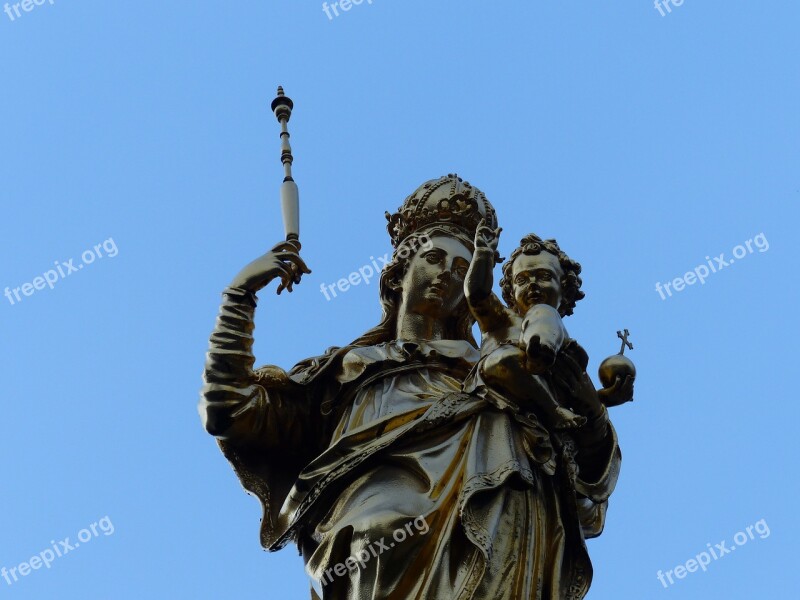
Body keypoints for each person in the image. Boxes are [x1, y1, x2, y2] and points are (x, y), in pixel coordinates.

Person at [199, 175, 621, 599]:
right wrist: (239, 295)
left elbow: (586, 480)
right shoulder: (347, 370)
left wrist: (591, 410)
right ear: (400, 273)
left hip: (506, 521)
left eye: (462, 268)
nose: (448, 276)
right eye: (435, 259)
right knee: (380, 529)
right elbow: (229, 410)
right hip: (372, 536)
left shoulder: (497, 371)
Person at [464, 223, 588, 430]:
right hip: (499, 378)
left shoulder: (556, 326)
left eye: (544, 276)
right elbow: (477, 294)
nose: (532, 284)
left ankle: (541, 349)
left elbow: (583, 396)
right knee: (502, 359)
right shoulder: (503, 318)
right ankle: (538, 354)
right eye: (521, 279)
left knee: (543, 312)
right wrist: (484, 254)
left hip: (550, 388)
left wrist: (610, 395)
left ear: (565, 286)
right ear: (510, 291)